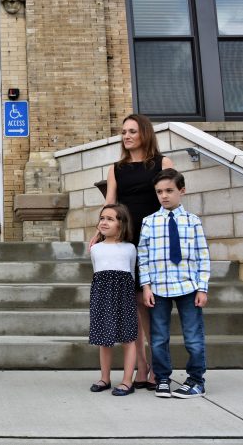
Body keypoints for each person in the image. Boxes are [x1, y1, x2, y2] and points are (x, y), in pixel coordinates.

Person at [97, 113, 173, 390]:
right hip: (127, 242)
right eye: (123, 132)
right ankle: (140, 367)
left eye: (132, 131)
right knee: (133, 306)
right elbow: (110, 204)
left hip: (153, 242)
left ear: (144, 133)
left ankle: (156, 366)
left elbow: (169, 200)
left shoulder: (162, 163)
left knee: (149, 306)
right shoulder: (116, 168)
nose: (126, 136)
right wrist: (98, 233)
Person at [139, 168, 210, 399]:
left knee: (193, 336)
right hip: (159, 289)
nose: (164, 196)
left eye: (169, 190)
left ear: (182, 191)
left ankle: (196, 380)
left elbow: (203, 255)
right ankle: (162, 378)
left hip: (188, 287)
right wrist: (146, 286)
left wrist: (202, 287)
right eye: (159, 192)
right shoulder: (149, 222)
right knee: (158, 337)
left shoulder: (193, 222)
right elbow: (143, 256)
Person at [88, 204, 138, 396]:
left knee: (128, 338)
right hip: (101, 295)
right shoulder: (96, 249)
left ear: (121, 223)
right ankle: (105, 378)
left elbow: (132, 272)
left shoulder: (130, 248)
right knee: (104, 338)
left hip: (124, 295)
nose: (104, 222)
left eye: (110, 219)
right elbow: (96, 271)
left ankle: (127, 381)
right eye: (102, 218)